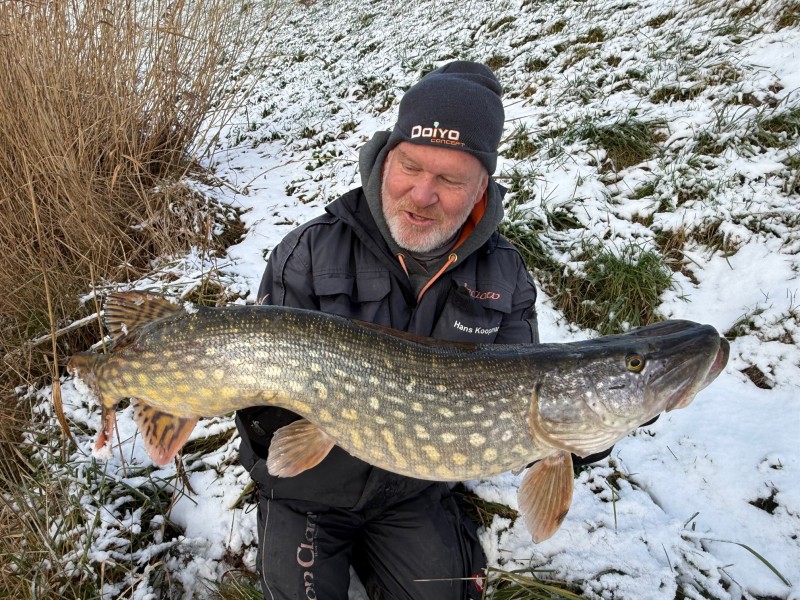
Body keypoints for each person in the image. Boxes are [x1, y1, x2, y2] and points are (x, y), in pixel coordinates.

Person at [236, 61, 540, 600]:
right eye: (410, 167)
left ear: (481, 187)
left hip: (413, 492)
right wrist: (262, 420)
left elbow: (521, 394)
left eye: (449, 179)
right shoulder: (307, 252)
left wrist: (580, 439)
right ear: (385, 157)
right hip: (308, 488)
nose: (422, 195)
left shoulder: (505, 275)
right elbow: (267, 426)